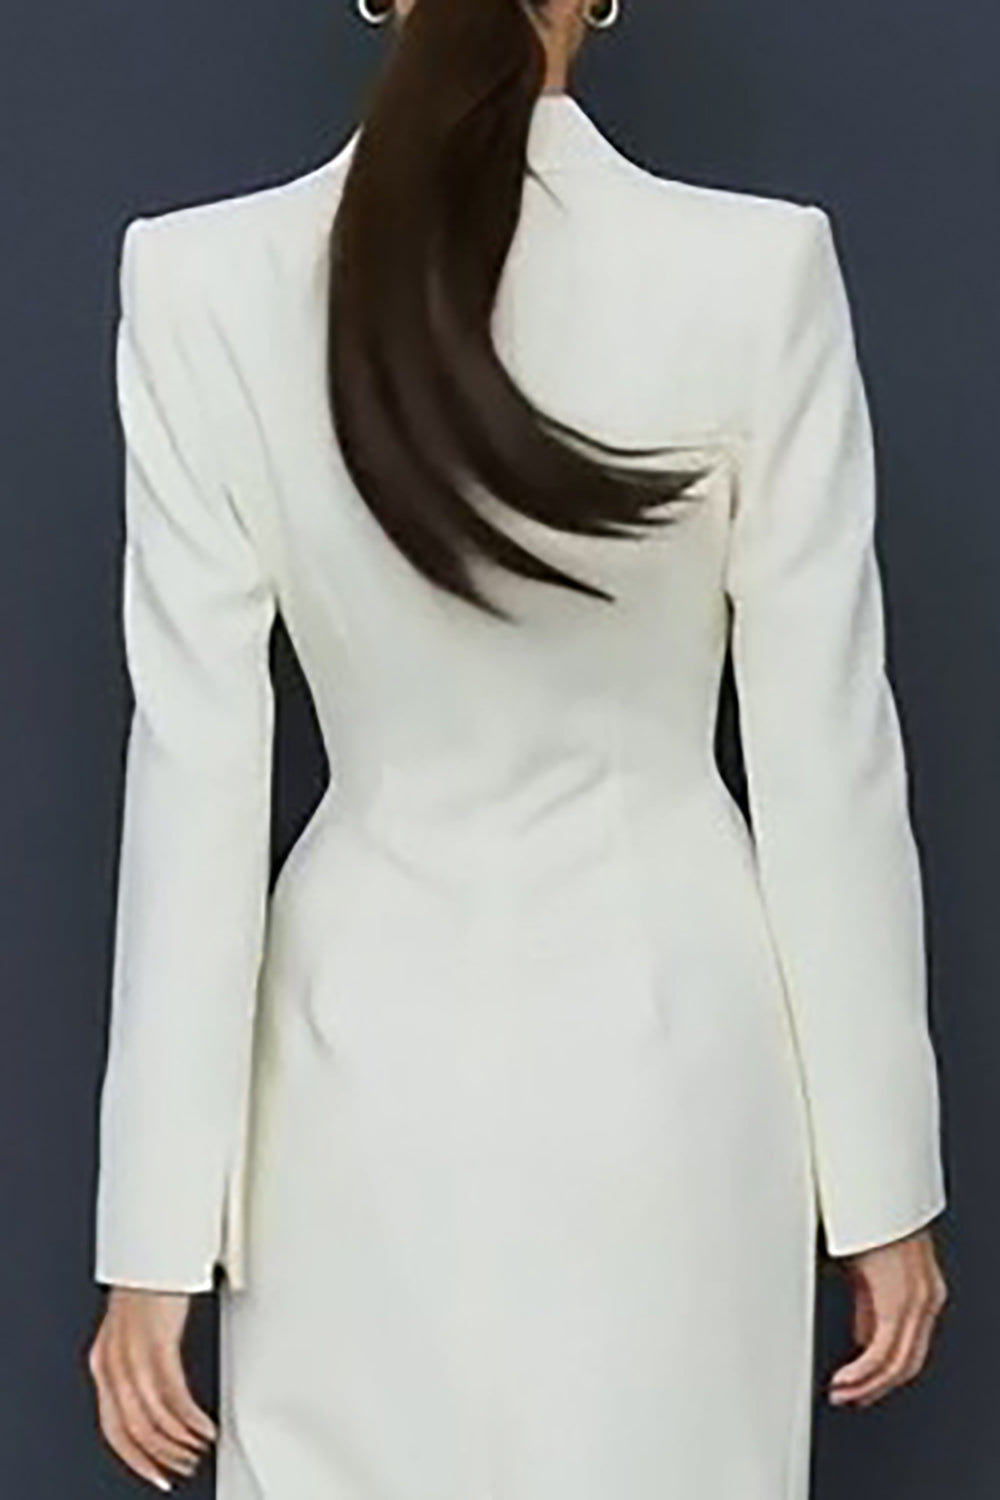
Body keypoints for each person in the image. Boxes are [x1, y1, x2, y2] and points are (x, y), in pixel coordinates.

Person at [86, 1, 949, 1496]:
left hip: (350, 1072)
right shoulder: (755, 271)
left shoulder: (202, 279)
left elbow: (195, 779)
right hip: (675, 1053)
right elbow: (828, 758)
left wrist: (154, 1236)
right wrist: (883, 1185)